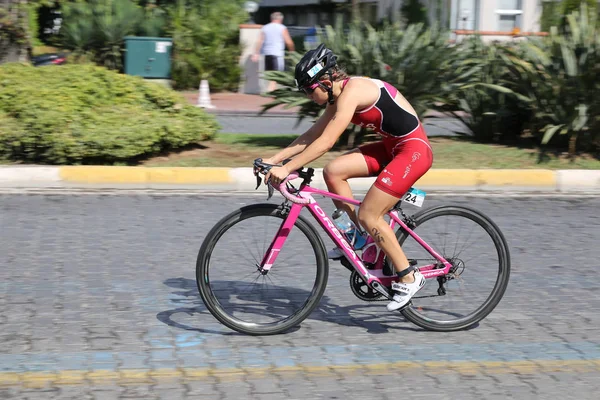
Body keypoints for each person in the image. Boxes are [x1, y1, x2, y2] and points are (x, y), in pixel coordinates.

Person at [261, 44, 433, 312]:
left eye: (309, 90)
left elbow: (327, 141)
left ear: (326, 82)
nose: (308, 96)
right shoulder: (337, 97)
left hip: (413, 151)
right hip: (392, 149)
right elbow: (312, 136)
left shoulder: (353, 92)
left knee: (370, 214)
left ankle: (409, 276)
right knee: (333, 171)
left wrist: (287, 168)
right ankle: (358, 240)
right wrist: (274, 160)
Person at [252, 11, 295, 93]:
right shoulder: (282, 28)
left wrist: (256, 53)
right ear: (281, 19)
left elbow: (260, 41)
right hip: (277, 54)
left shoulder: (265, 27)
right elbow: (288, 41)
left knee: (270, 72)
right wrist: (292, 51)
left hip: (267, 53)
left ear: (271, 18)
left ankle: (272, 89)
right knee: (277, 73)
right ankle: (271, 90)